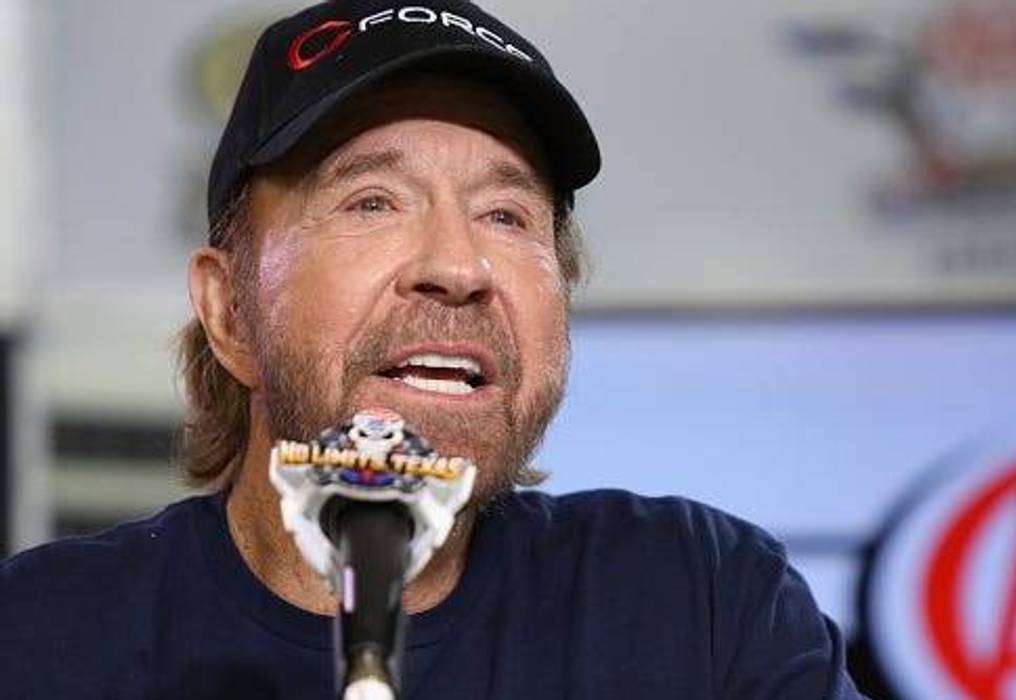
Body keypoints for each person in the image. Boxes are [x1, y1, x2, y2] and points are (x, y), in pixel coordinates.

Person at [0, 1, 868, 698]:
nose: (458, 267)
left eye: (507, 216)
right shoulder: (38, 637)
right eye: (373, 201)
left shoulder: (700, 603)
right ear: (229, 311)